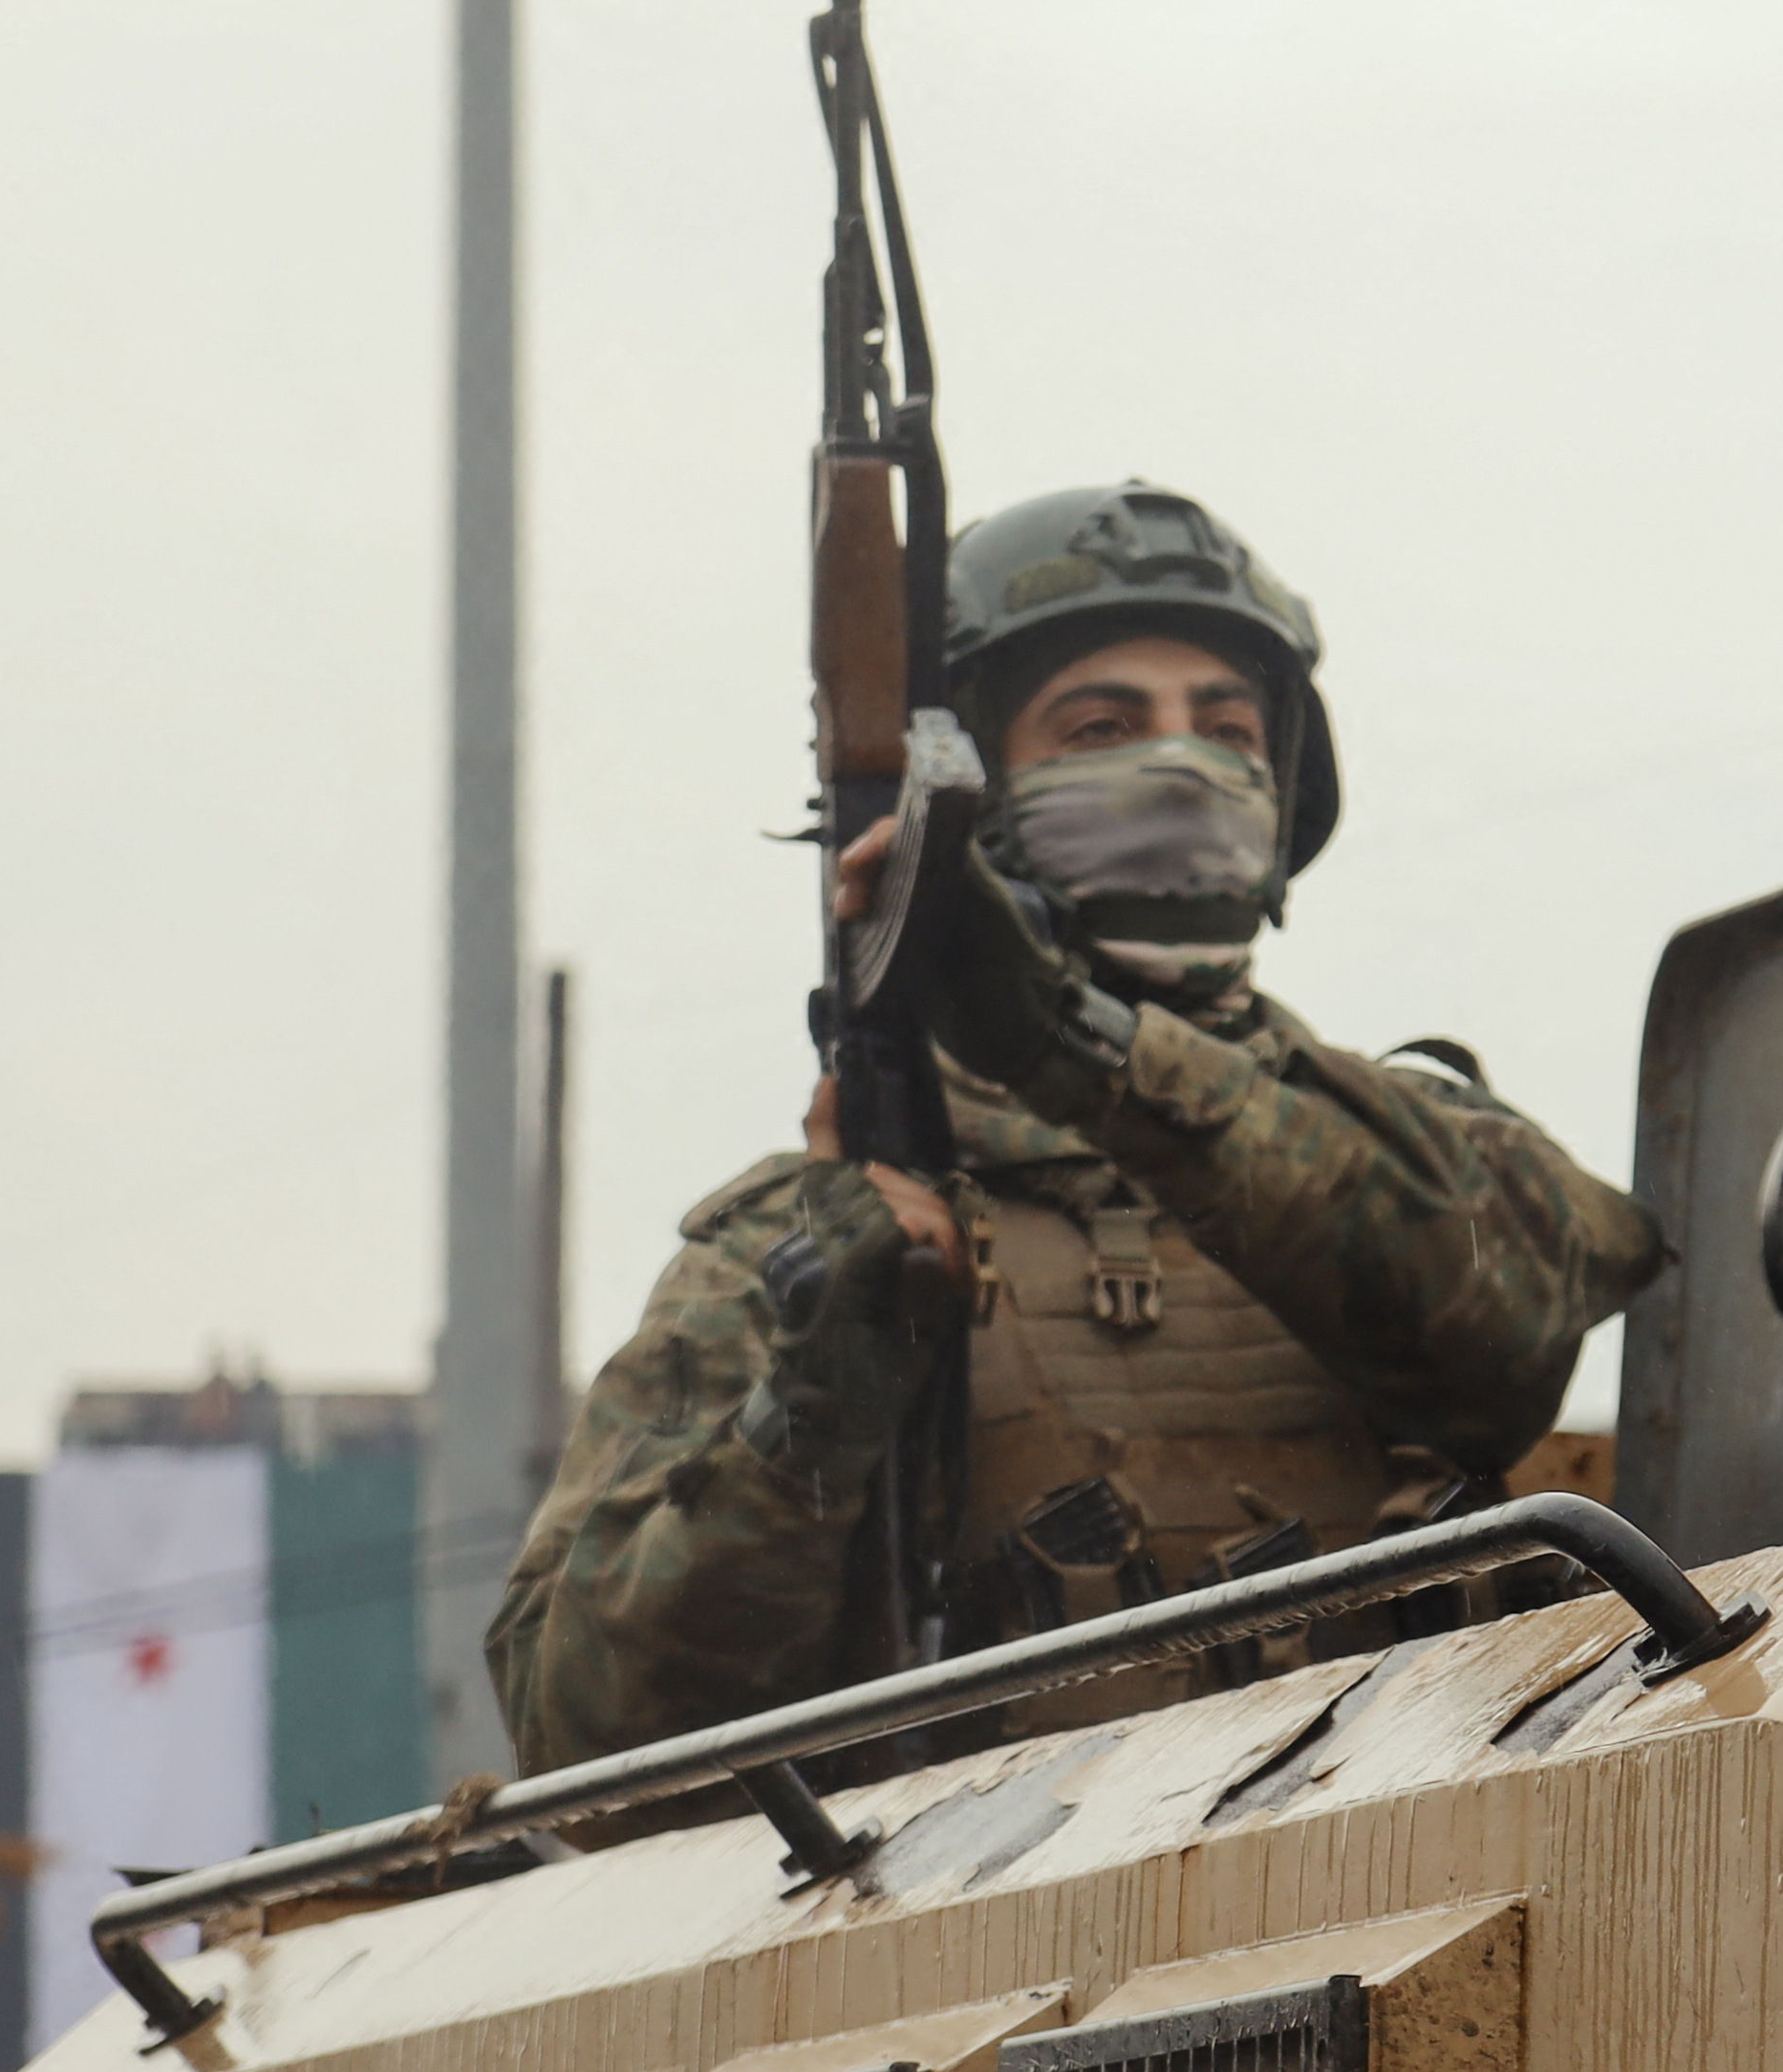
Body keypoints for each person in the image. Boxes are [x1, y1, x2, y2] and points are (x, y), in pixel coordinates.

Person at [491, 480, 1661, 1765]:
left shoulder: (1430, 1155)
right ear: (972, 801)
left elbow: (1505, 1332)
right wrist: (812, 1415)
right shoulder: (812, 1243)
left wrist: (1064, 1038)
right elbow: (588, 1745)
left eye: (1228, 727)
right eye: (1102, 726)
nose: (1180, 764)